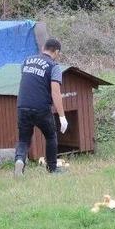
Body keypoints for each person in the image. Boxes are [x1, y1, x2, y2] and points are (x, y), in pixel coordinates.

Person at [14, 38, 68, 175]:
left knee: (24, 139)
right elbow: (55, 92)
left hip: (22, 105)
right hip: (41, 108)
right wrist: (62, 116)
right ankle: (52, 169)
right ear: (56, 52)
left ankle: (19, 160)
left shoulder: (27, 61)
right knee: (50, 136)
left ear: (43, 47)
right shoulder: (54, 66)